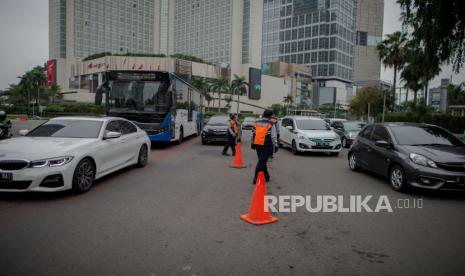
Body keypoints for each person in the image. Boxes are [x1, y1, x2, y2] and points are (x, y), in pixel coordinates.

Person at [251, 109, 278, 184]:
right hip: (266, 145)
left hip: (257, 144)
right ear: (270, 116)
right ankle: (255, 178)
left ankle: (266, 176)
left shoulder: (256, 123)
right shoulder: (271, 124)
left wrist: (252, 143)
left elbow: (252, 133)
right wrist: (275, 145)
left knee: (262, 160)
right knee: (261, 161)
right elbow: (273, 136)